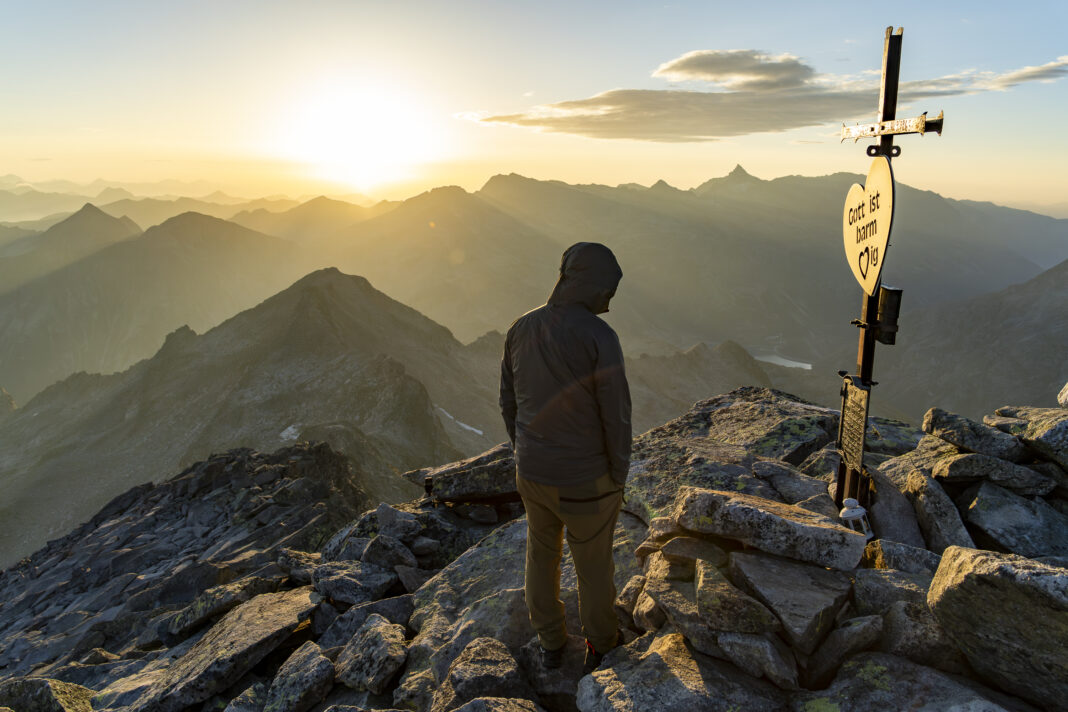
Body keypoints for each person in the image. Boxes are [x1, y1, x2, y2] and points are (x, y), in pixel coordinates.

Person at [499, 241, 631, 673]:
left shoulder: (521, 327)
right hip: (586, 481)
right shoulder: (599, 336)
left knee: (541, 555)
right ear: (592, 284)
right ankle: (603, 645)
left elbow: (508, 403)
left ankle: (551, 643)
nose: (609, 297)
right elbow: (616, 415)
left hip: (533, 474)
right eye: (607, 288)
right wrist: (618, 474)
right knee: (593, 568)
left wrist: (524, 454)